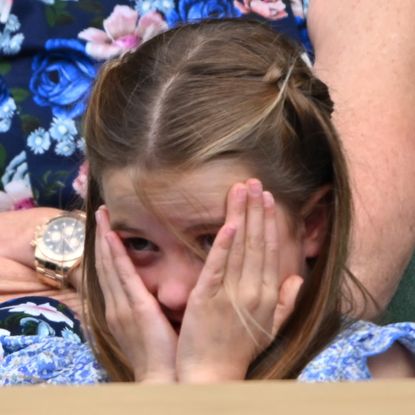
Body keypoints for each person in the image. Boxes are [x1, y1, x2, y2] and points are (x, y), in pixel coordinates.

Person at [1, 20, 414, 385]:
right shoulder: (39, 370)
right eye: (139, 244)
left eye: (211, 240)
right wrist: (157, 380)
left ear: (312, 225)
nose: (175, 294)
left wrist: (207, 381)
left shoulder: (376, 372)